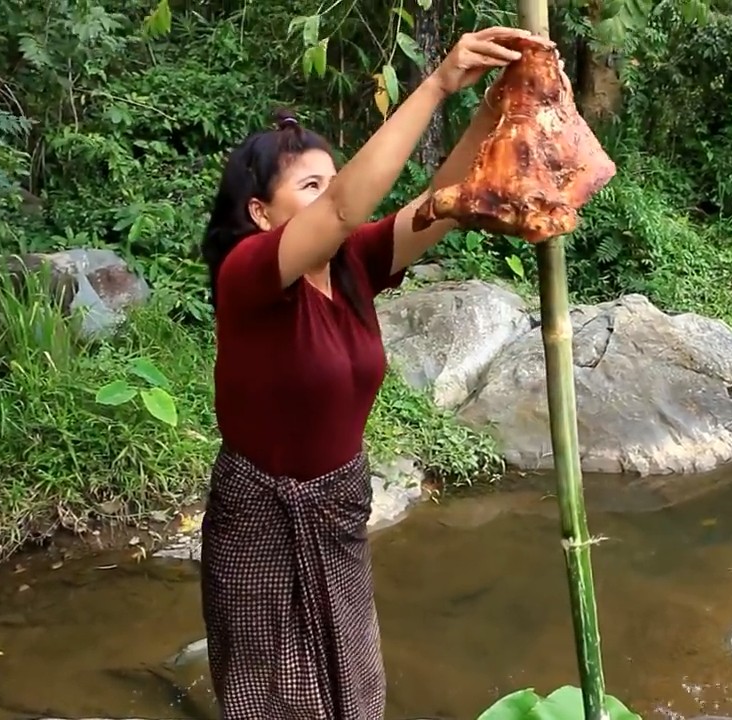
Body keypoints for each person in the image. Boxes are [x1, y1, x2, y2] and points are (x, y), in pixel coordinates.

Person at [197, 25, 552, 720]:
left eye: (335, 178)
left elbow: (443, 202)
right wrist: (437, 82)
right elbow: (344, 209)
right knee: (273, 705)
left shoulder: (354, 264)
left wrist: (493, 109)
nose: (335, 194)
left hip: (337, 511)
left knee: (355, 697)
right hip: (260, 522)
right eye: (311, 184)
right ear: (261, 213)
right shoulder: (248, 275)